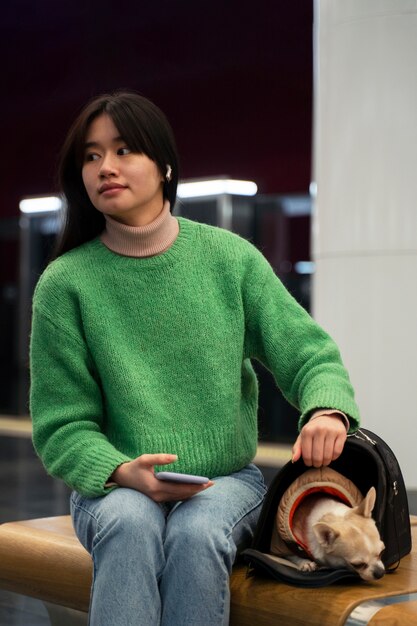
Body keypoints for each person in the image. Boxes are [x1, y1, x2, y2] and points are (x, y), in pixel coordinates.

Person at [30, 91, 360, 626]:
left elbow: (307, 352)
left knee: (196, 530)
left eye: (122, 151)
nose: (104, 168)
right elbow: (61, 424)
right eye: (91, 156)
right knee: (130, 523)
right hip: (115, 488)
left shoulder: (229, 259)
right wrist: (118, 470)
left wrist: (327, 409)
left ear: (163, 166)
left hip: (226, 482)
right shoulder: (65, 284)